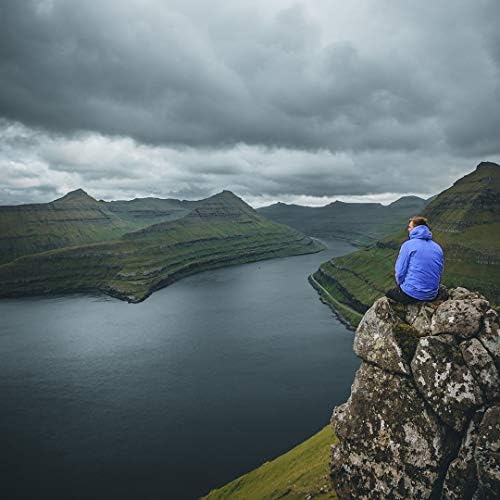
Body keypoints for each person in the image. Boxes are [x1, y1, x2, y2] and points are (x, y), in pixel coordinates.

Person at [386, 216, 446, 304]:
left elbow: (400, 272)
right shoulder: (437, 247)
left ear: (416, 229)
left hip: (411, 294)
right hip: (432, 295)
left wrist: (400, 285)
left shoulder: (408, 245)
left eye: (410, 227)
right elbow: (439, 270)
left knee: (389, 294)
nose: (408, 229)